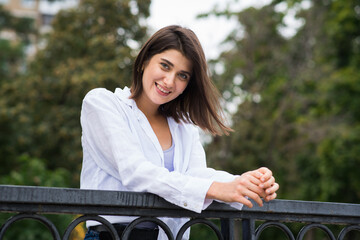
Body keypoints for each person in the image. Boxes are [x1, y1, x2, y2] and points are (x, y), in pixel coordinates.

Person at [80, 25, 279, 240]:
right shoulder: (102, 104)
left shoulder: (183, 126)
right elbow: (134, 171)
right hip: (114, 235)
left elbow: (196, 175)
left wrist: (244, 183)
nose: (169, 81)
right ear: (145, 60)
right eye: (165, 66)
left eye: (182, 76)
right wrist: (216, 188)